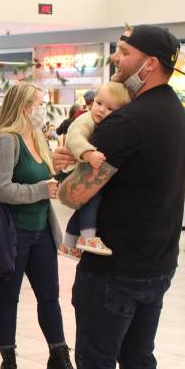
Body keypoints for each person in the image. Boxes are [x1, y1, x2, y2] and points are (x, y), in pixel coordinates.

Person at [50, 24, 185, 369]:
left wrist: (68, 169)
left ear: (148, 64)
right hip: (157, 265)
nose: (117, 61)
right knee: (141, 366)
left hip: (114, 270)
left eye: (124, 53)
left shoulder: (129, 122)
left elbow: (72, 192)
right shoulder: (173, 112)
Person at [0, 82, 77, 369]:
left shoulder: (37, 139)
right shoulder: (6, 142)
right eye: (39, 103)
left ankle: (59, 357)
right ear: (24, 106)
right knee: (8, 298)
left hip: (41, 234)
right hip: (13, 234)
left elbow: (47, 181)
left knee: (50, 298)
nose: (42, 109)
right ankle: (8, 362)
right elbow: (0, 188)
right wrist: (40, 190)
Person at [59, 81, 131, 257]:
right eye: (98, 103)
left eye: (110, 109)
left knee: (84, 205)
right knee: (92, 198)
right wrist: (88, 153)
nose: (101, 110)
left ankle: (68, 244)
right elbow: (74, 138)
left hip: (81, 171)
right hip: (75, 172)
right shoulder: (85, 119)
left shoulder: (101, 123)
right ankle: (88, 238)